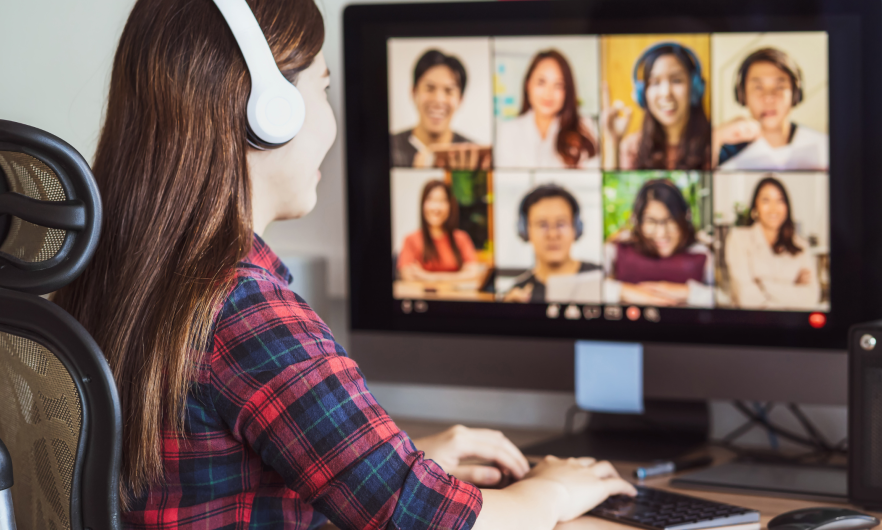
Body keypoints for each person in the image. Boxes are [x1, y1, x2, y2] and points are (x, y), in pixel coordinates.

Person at [53, 0, 635, 528]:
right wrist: (555, 491)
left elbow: (240, 475)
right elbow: (433, 524)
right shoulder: (245, 309)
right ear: (269, 113)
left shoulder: (112, 269)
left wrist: (398, 459)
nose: (330, 122)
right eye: (323, 89)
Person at [603, 179, 714, 307]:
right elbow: (586, 283)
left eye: (670, 220)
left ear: (685, 218)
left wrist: (688, 292)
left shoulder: (701, 252)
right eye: (651, 221)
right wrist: (624, 291)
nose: (661, 233)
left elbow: (727, 297)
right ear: (637, 221)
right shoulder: (618, 247)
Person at [714, 47, 828, 170]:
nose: (768, 98)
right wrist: (716, 136)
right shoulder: (723, 152)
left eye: (779, 87)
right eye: (758, 87)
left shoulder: (823, 147)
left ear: (795, 94)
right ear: (742, 94)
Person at [603, 42, 711, 171]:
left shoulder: (714, 144)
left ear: (694, 88)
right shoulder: (632, 148)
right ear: (643, 94)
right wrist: (614, 142)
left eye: (676, 80)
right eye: (655, 83)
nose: (665, 93)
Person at [725, 176, 820, 310]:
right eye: (766, 200)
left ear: (787, 206)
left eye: (780, 200)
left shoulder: (800, 244)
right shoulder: (738, 239)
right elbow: (746, 298)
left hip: (792, 327)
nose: (774, 208)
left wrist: (763, 284)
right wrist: (792, 285)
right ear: (755, 208)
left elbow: (810, 297)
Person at [495, 49, 599, 169]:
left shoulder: (584, 126)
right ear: (528, 85)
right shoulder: (508, 131)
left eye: (558, 85)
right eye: (541, 82)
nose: (548, 94)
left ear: (567, 91)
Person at [390, 49, 490, 169]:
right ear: (413, 92)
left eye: (449, 91)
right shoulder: (389, 147)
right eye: (430, 88)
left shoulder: (475, 155)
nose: (438, 100)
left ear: (460, 100)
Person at [505, 184, 603, 304]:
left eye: (561, 223)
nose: (552, 234)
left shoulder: (602, 278)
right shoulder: (516, 293)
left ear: (576, 228)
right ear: (525, 230)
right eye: (542, 224)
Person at [398, 179, 484, 283]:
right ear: (423, 204)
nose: (436, 207)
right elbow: (408, 276)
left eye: (442, 201)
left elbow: (474, 274)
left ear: (450, 206)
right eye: (431, 200)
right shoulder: (411, 239)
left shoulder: (461, 238)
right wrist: (458, 277)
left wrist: (429, 277)